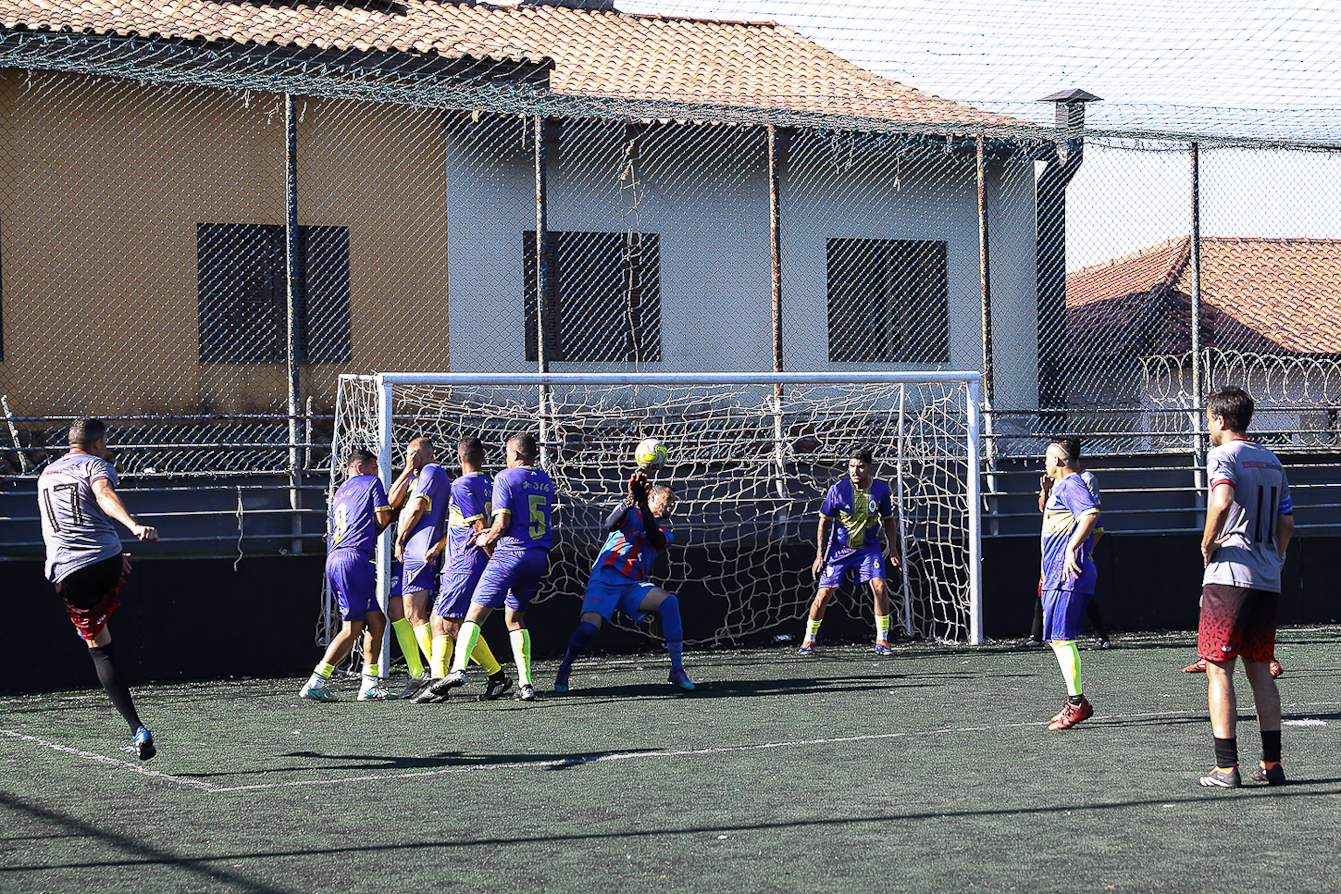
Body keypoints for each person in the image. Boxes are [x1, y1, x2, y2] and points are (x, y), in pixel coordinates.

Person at [38, 418, 160, 759]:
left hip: (68, 572)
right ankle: (136, 728)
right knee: (100, 632)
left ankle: (138, 729)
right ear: (97, 444)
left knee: (100, 650)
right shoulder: (95, 464)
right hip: (105, 561)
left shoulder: (46, 474)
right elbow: (103, 493)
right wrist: (132, 526)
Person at [1195, 386, 1292, 788]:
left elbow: (1221, 501)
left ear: (1219, 420)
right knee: (1261, 671)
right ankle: (1272, 765)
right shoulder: (1272, 460)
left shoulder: (1223, 454)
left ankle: (1226, 768)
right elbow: (1287, 523)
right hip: (1267, 580)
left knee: (1218, 671)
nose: (1208, 426)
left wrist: (1207, 544)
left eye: (1208, 419)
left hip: (1230, 577)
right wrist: (1276, 560)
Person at [440, 433, 554, 702]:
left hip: (510, 554)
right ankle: (525, 685)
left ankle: (458, 669)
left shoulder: (505, 477)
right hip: (537, 557)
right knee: (515, 620)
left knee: (473, 616)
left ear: (516, 454)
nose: (505, 458)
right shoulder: (545, 480)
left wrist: (486, 538)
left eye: (507, 453)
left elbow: (502, 524)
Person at [555, 472, 692, 692]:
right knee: (588, 630)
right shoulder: (631, 513)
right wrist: (630, 499)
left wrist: (643, 507)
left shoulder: (665, 534)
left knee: (670, 602)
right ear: (652, 498)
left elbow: (654, 537)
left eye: (674, 502)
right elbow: (609, 524)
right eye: (668, 500)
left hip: (632, 586)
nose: (672, 505)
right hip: (605, 578)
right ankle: (565, 668)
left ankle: (677, 668)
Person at [413, 437, 512, 703]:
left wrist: (496, 564)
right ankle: (437, 683)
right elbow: (467, 525)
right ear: (483, 457)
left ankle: (497, 676)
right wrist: (440, 547)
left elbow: (479, 529)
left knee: (454, 625)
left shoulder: (461, 485)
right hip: (461, 563)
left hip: (465, 565)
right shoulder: (490, 484)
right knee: (438, 620)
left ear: (459, 458)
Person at [301, 448, 395, 702]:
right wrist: (398, 508)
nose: (377, 472)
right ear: (360, 468)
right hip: (354, 559)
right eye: (374, 467)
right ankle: (316, 681)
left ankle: (369, 685)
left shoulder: (341, 491)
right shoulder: (372, 483)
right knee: (352, 628)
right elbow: (382, 519)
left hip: (336, 558)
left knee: (377, 621)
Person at [798, 447, 901, 655]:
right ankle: (808, 640)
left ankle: (882, 640)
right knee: (823, 594)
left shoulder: (881, 491)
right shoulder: (837, 490)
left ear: (870, 468)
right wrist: (819, 555)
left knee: (880, 587)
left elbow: (889, 521)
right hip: (839, 550)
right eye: (852, 466)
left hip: (868, 549)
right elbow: (823, 523)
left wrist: (893, 550)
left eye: (860, 467)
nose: (855, 471)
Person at [1038, 435, 1101, 731]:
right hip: (1054, 574)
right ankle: (1075, 701)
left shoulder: (1072, 483)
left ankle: (1077, 704)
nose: (1044, 463)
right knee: (1057, 639)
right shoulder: (1059, 487)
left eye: (1047, 458)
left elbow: (1090, 515)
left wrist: (1071, 549)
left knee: (1062, 638)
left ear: (1058, 461)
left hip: (1068, 574)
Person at [1020, 457, 1111, 650]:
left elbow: (1093, 517)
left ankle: (1101, 637)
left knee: (1077, 591)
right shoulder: (1057, 481)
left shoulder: (1085, 480)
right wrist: (1045, 490)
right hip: (1053, 548)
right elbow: (1044, 509)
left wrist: (1082, 549)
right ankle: (1037, 636)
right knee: (1043, 588)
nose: (1048, 462)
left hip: (1071, 547)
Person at [388, 437, 451, 699]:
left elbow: (417, 507)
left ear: (429, 455)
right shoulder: (414, 477)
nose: (411, 458)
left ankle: (439, 677)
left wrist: (400, 538)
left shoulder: (432, 471)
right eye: (408, 454)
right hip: (407, 553)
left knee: (415, 612)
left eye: (416, 454)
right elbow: (392, 501)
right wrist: (406, 469)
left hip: (419, 552)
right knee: (395, 610)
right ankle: (417, 674)